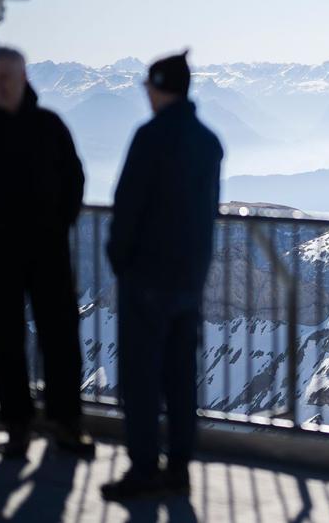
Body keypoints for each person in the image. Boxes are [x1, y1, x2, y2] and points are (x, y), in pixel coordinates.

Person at [0, 46, 93, 457]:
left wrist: (60, 222)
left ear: (25, 77)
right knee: (7, 342)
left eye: (8, 76)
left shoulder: (49, 126)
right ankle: (18, 426)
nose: (2, 84)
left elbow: (75, 177)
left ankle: (67, 424)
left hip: (49, 251)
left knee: (60, 337)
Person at [101, 51, 223, 500]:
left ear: (159, 87)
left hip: (146, 278)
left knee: (141, 378)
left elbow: (128, 204)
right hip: (189, 280)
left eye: (149, 87)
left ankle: (143, 470)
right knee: (179, 377)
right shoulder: (209, 142)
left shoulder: (150, 137)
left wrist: (120, 259)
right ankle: (179, 468)